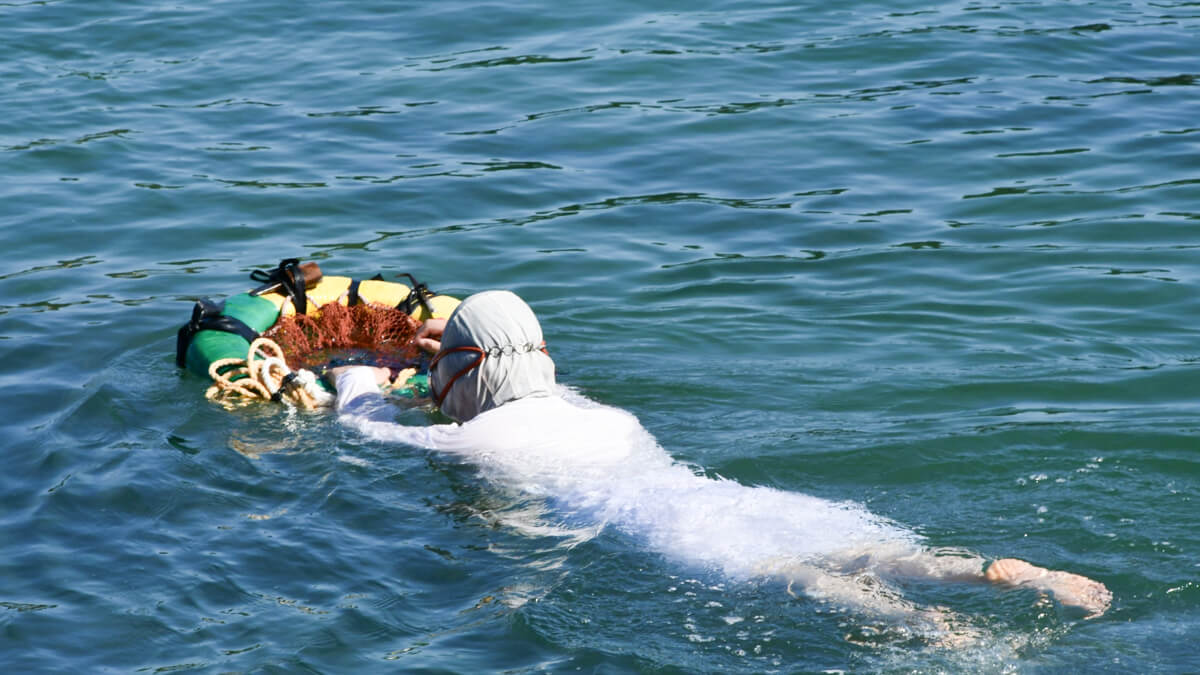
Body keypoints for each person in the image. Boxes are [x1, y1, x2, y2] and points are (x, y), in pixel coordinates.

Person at [328, 290, 1112, 631]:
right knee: (875, 554)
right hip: (739, 496)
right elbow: (518, 373)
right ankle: (993, 572)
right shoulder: (594, 411)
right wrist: (453, 348)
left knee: (805, 581)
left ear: (466, 368)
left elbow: (368, 430)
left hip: (679, 531)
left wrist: (354, 370)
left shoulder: (475, 438)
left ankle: (935, 632)